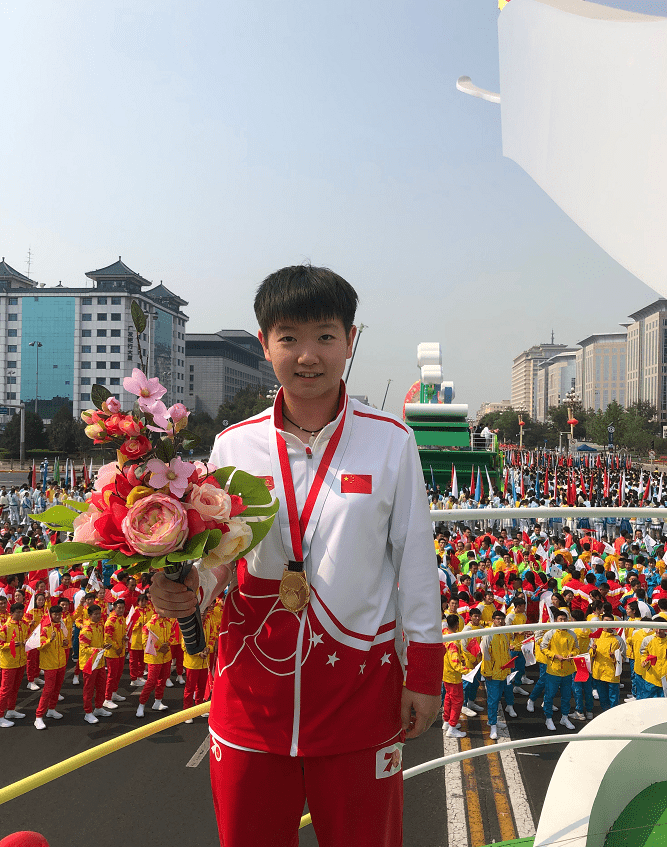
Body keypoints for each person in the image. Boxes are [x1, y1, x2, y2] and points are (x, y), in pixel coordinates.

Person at [149, 264, 442, 847]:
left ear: (350, 340)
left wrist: (426, 675)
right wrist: (187, 589)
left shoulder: (391, 441)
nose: (308, 355)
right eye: (289, 337)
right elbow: (219, 555)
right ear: (265, 345)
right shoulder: (235, 444)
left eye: (325, 336)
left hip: (360, 690)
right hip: (252, 695)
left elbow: (414, 563)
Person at [481, 610, 516, 742]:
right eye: (497, 619)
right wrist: (488, 673)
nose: (500, 621)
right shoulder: (488, 634)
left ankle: (493, 722)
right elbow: (486, 655)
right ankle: (493, 725)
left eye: (502, 619)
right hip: (493, 674)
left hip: (503, 673)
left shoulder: (505, 634)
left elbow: (506, 652)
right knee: (493, 700)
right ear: (493, 620)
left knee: (498, 698)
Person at [540, 610, 577, 732]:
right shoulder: (550, 633)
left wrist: (572, 654)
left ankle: (565, 717)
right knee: (549, 695)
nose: (562, 621)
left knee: (566, 696)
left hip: (568, 670)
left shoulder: (572, 634)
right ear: (555, 620)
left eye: (564, 619)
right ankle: (548, 718)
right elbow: (543, 648)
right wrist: (555, 656)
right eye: (560, 619)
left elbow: (577, 648)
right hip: (553, 670)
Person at [34, 605, 69, 730]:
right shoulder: (45, 628)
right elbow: (39, 646)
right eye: (55, 614)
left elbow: (64, 644)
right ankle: (38, 716)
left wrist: (65, 644)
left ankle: (52, 709)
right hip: (49, 664)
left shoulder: (61, 626)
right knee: (48, 690)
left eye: (59, 614)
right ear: (51, 615)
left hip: (61, 663)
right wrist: (50, 639)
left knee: (57, 688)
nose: (58, 616)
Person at [79, 604, 111, 724]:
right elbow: (84, 649)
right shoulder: (86, 629)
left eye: (99, 613)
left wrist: (104, 646)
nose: (98, 616)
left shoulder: (100, 626)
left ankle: (98, 707)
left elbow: (99, 644)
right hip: (89, 664)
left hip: (99, 662)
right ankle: (88, 712)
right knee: (89, 689)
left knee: (101, 686)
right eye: (95, 614)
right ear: (90, 615)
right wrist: (97, 650)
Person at [0, 603, 30, 727]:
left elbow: (28, 638)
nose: (20, 614)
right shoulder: (5, 627)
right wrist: (11, 645)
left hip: (21, 661)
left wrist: (26, 641)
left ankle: (11, 710)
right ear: (11, 613)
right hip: (8, 663)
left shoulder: (24, 624)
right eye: (17, 612)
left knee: (15, 688)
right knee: (5, 690)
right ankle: (1, 715)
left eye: (21, 611)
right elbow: (1, 645)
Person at [103, 598, 127, 709]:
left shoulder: (122, 619)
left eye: (122, 608)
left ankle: (114, 693)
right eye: (119, 608)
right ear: (114, 607)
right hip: (112, 652)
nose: (121, 610)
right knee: (112, 675)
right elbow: (108, 637)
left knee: (118, 674)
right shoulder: (110, 621)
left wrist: (124, 639)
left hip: (120, 651)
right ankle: (107, 699)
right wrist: (117, 647)